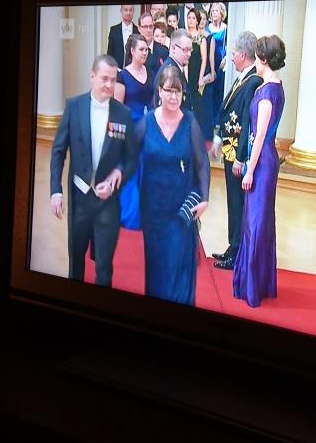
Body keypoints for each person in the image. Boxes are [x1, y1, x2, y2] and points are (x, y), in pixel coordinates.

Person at [50, 55, 137, 286]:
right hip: (80, 197)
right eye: (104, 79)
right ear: (92, 77)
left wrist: (119, 173)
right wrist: (55, 190)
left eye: (113, 80)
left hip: (107, 201)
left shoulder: (123, 114)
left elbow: (131, 158)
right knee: (76, 259)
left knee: (104, 266)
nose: (109, 85)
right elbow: (58, 151)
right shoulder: (74, 107)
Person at [133, 66, 211, 306]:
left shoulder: (190, 122)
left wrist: (204, 198)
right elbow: (127, 155)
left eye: (178, 92)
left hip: (180, 211)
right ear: (160, 91)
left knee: (178, 267)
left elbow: (202, 163)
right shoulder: (146, 122)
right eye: (169, 91)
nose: (174, 97)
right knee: (157, 268)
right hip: (153, 211)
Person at [232, 35, 286, 307]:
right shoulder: (274, 86)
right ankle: (255, 281)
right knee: (257, 221)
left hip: (262, 162)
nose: (253, 60)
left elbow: (261, 135)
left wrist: (250, 170)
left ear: (263, 59)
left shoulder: (267, 93)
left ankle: (253, 286)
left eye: (256, 56)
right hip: (265, 159)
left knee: (256, 223)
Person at [212, 31, 262, 270]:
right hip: (229, 149)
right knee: (232, 202)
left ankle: (237, 251)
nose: (231, 57)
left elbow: (247, 122)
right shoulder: (242, 78)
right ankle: (232, 246)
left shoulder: (252, 82)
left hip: (237, 155)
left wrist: (241, 158)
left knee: (238, 204)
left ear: (242, 54)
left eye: (233, 53)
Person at [113, 34, 156, 230]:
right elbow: (117, 108)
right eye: (141, 49)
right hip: (130, 128)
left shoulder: (151, 72)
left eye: (146, 49)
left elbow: (153, 102)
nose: (145, 53)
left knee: (146, 170)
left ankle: (145, 213)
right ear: (132, 51)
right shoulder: (122, 76)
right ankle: (130, 215)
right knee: (131, 170)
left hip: (147, 128)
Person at [202, 2, 228, 142]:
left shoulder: (226, 28)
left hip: (221, 63)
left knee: (220, 91)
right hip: (210, 61)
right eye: (212, 11)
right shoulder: (208, 28)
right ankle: (210, 122)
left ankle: (219, 120)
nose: (214, 13)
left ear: (222, 13)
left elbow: (229, 44)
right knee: (210, 91)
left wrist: (226, 58)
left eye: (217, 11)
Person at [106, 4, 139, 69]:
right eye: (126, 10)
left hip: (134, 71)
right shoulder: (113, 30)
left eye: (130, 10)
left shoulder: (138, 31)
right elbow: (110, 54)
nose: (128, 13)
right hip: (116, 70)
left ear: (133, 11)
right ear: (121, 10)